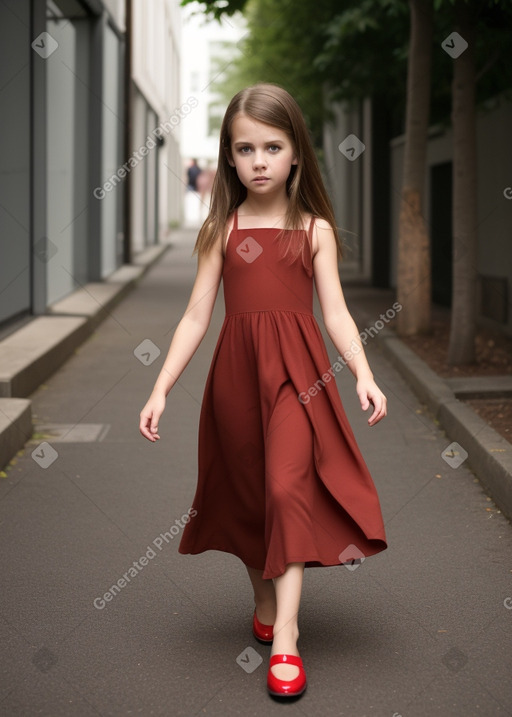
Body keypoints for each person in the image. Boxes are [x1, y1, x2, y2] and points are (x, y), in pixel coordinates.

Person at [140, 83, 388, 700]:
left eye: (272, 147)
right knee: (250, 493)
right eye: (244, 148)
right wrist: (161, 387)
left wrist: (363, 372)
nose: (258, 160)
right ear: (228, 156)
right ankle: (263, 599)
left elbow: (334, 312)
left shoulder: (315, 229)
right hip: (235, 378)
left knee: (286, 488)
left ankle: (287, 637)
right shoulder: (221, 230)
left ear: (296, 153)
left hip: (300, 380)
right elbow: (197, 315)